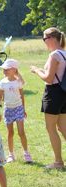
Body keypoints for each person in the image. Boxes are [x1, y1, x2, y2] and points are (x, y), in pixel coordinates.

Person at [30, 27, 66, 169]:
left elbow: (49, 78)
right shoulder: (64, 53)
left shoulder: (54, 55)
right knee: (63, 127)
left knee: (51, 128)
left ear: (51, 38)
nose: (44, 41)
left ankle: (58, 162)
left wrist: (37, 70)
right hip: (63, 93)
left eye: (44, 39)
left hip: (53, 93)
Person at [0, 59, 33, 163]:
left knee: (21, 132)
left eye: (6, 69)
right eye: (4, 69)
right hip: (8, 109)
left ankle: (26, 153)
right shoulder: (2, 83)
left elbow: (22, 96)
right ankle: (11, 154)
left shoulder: (18, 82)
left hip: (18, 108)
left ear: (14, 69)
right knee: (10, 133)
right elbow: (0, 97)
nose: (4, 71)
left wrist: (23, 109)